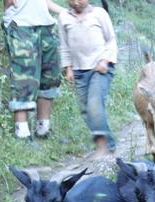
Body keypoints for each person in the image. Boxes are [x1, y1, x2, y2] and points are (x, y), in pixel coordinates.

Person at [59, 0, 117, 158]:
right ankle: (109, 143)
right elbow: (64, 46)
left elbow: (111, 40)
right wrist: (68, 68)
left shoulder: (99, 14)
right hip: (78, 70)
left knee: (95, 105)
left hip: (100, 67)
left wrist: (105, 60)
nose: (76, 2)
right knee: (86, 111)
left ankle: (101, 147)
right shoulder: (64, 17)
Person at [2, 0, 65, 139]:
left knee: (50, 77)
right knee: (24, 79)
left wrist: (64, 11)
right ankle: (22, 133)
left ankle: (43, 129)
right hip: (20, 24)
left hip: (45, 24)